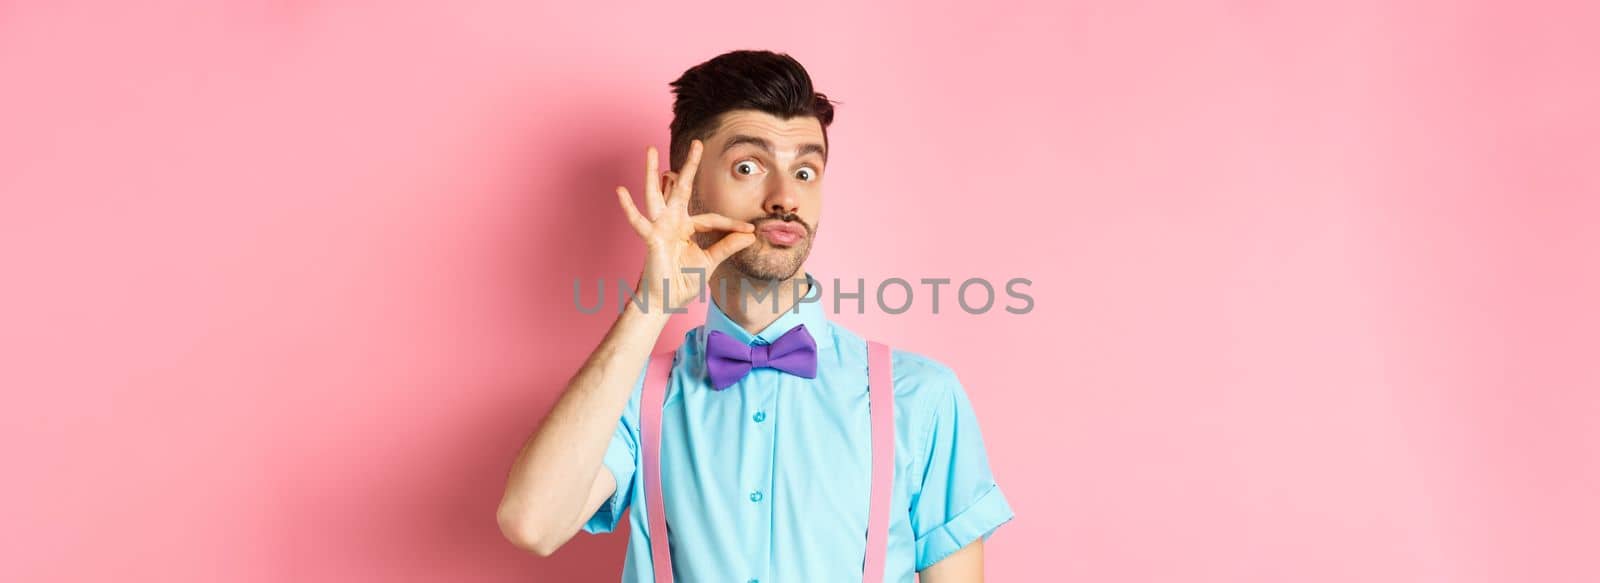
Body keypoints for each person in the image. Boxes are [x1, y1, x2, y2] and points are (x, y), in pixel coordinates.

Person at [496, 49, 1013, 582]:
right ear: (681, 195)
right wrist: (651, 306)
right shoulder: (634, 395)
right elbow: (532, 524)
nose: (785, 197)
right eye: (748, 166)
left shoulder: (921, 396)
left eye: (806, 171)